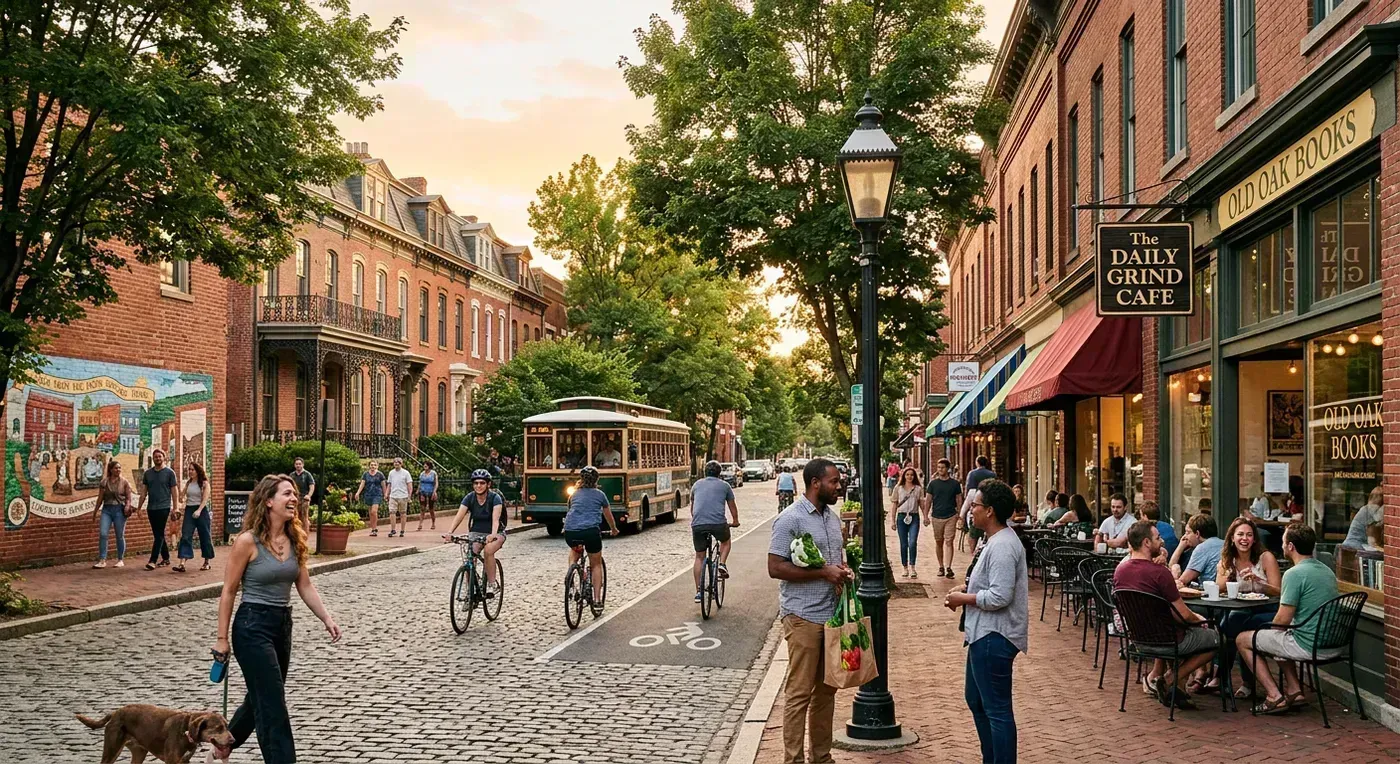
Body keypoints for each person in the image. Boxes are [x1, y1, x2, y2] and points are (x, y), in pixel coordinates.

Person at [213, 474, 341, 763]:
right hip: (251, 626)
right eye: (286, 493)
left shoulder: (296, 539)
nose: (294, 498)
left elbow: (304, 584)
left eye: (294, 493)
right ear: (268, 501)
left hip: (282, 625)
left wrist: (326, 618)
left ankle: (225, 741)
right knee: (272, 703)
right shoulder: (248, 542)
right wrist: (221, 640)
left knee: (263, 692)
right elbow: (229, 590)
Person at [767, 458, 852, 764]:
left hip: (830, 617)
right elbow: (775, 568)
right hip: (802, 617)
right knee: (799, 693)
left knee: (826, 692)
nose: (838, 486)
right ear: (816, 483)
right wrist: (823, 573)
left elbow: (833, 561)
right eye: (834, 482)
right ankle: (793, 760)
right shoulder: (790, 519)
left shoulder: (831, 518)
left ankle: (821, 757)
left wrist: (842, 570)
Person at [943, 479, 1028, 762]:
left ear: (990, 511)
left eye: (976, 505)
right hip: (982, 635)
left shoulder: (1003, 545)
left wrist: (964, 599)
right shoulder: (992, 541)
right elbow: (990, 586)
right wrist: (965, 590)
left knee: (997, 710)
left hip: (996, 637)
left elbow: (1000, 596)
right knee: (977, 700)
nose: (971, 510)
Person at [1113, 520, 1219, 710]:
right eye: (1157, 538)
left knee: (1191, 634)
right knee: (1216, 639)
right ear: (1146, 543)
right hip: (1169, 641)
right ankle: (1170, 679)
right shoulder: (1160, 573)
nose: (1162, 541)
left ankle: (1176, 689)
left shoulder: (1120, 571)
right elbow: (1183, 615)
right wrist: (1201, 620)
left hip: (1138, 640)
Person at [1235, 523, 1339, 714]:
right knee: (1277, 637)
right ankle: (1294, 690)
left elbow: (1281, 621)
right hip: (1334, 642)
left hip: (1309, 645)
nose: (1282, 546)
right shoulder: (1327, 571)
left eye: (1283, 542)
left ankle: (1274, 696)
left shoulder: (1294, 574)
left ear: (1290, 546)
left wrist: (1263, 638)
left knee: (1242, 639)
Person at [443, 469, 508, 593]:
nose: (478, 486)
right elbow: (459, 515)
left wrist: (493, 534)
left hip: (496, 533)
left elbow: (496, 519)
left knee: (488, 550)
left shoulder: (495, 498)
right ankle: (470, 592)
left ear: (488, 484)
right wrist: (450, 532)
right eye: (476, 483)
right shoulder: (470, 497)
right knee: (469, 558)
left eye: (482, 483)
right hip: (476, 532)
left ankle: (492, 582)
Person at [563, 466, 619, 603]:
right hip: (590, 532)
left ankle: (571, 570)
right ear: (596, 480)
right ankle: (597, 600)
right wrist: (614, 529)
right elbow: (608, 515)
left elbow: (570, 511)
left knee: (575, 550)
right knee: (596, 564)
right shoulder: (600, 495)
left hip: (570, 532)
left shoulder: (574, 494)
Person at [691, 461, 741, 602]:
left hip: (698, 524)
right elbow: (732, 506)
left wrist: (697, 520)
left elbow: (693, 508)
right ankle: (722, 564)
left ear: (705, 472)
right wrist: (735, 521)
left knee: (699, 557)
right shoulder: (725, 486)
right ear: (719, 473)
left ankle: (699, 592)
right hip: (718, 524)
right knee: (725, 542)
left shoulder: (696, 485)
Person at [138, 449, 178, 570]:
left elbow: (174, 491)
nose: (157, 459)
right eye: (155, 457)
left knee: (159, 533)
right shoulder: (148, 474)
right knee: (158, 534)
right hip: (151, 508)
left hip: (164, 507)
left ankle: (153, 560)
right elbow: (143, 492)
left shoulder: (170, 473)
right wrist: (139, 508)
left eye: (159, 457)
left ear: (164, 458)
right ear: (153, 458)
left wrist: (175, 507)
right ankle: (166, 558)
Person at [924, 458, 962, 580]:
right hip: (936, 516)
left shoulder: (955, 484)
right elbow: (928, 500)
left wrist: (959, 514)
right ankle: (941, 566)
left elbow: (959, 499)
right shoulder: (933, 484)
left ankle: (948, 567)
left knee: (949, 541)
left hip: (951, 515)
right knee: (939, 541)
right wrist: (925, 515)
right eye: (939, 467)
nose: (940, 469)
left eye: (943, 467)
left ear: (948, 469)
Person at [174, 460, 214, 573]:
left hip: (201, 510)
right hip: (189, 510)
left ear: (197, 471)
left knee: (205, 536)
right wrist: (179, 496)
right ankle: (182, 563)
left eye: (192, 470)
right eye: (189, 470)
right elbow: (181, 496)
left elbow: (205, 499)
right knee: (185, 535)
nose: (190, 472)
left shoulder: (204, 483)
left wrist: (199, 510)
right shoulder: (188, 483)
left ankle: (207, 562)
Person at [93, 461, 133, 568]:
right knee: (103, 533)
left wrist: (127, 506)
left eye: (119, 468)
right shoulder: (104, 482)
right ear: (110, 469)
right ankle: (102, 559)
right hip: (107, 509)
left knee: (119, 535)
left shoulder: (125, 482)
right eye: (116, 468)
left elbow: (128, 497)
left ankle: (120, 559)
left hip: (119, 509)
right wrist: (95, 511)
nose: (118, 470)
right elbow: (100, 498)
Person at [890, 467, 927, 579]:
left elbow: (921, 504)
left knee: (912, 542)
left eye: (911, 475)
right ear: (904, 476)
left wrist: (925, 516)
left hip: (914, 517)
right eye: (907, 475)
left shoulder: (918, 489)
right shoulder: (898, 488)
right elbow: (894, 505)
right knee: (903, 543)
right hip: (901, 517)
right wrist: (892, 521)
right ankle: (904, 567)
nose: (909, 477)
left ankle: (912, 566)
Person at [1171, 513, 1223, 586]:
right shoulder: (1224, 544)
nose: (1185, 536)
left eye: (1188, 532)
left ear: (1197, 534)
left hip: (1208, 593)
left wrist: (1180, 548)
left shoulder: (1202, 548)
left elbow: (1182, 581)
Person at [354, 462, 386, 537]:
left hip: (377, 494)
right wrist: (358, 493)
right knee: (370, 513)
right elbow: (362, 484)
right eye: (371, 465)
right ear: (369, 466)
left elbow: (383, 485)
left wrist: (385, 494)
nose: (373, 466)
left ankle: (374, 529)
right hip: (368, 494)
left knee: (374, 511)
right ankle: (373, 528)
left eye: (375, 465)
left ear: (377, 466)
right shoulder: (366, 474)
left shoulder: (380, 474)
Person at [385, 458, 413, 538]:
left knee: (403, 513)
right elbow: (389, 484)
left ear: (401, 464)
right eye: (395, 462)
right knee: (392, 512)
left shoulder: (406, 473)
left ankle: (402, 530)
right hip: (393, 495)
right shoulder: (391, 473)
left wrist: (409, 495)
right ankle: (393, 529)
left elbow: (409, 485)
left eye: (398, 462)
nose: (396, 464)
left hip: (403, 495)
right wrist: (387, 493)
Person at [290, 457, 315, 533]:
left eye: (300, 464)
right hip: (295, 498)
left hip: (304, 499)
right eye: (296, 464)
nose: (298, 465)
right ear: (294, 465)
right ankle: (296, 534)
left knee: (304, 518)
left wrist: (309, 495)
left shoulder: (307, 474)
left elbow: (312, 486)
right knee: (293, 517)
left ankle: (305, 535)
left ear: (303, 465)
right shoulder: (292, 475)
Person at [417, 461, 439, 532]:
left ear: (429, 466)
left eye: (426, 466)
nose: (425, 467)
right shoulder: (422, 474)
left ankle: (433, 522)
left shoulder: (433, 473)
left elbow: (436, 483)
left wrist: (434, 491)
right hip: (423, 492)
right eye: (424, 466)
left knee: (431, 508)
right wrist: (418, 490)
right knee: (422, 508)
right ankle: (420, 524)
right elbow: (420, 482)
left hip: (430, 492)